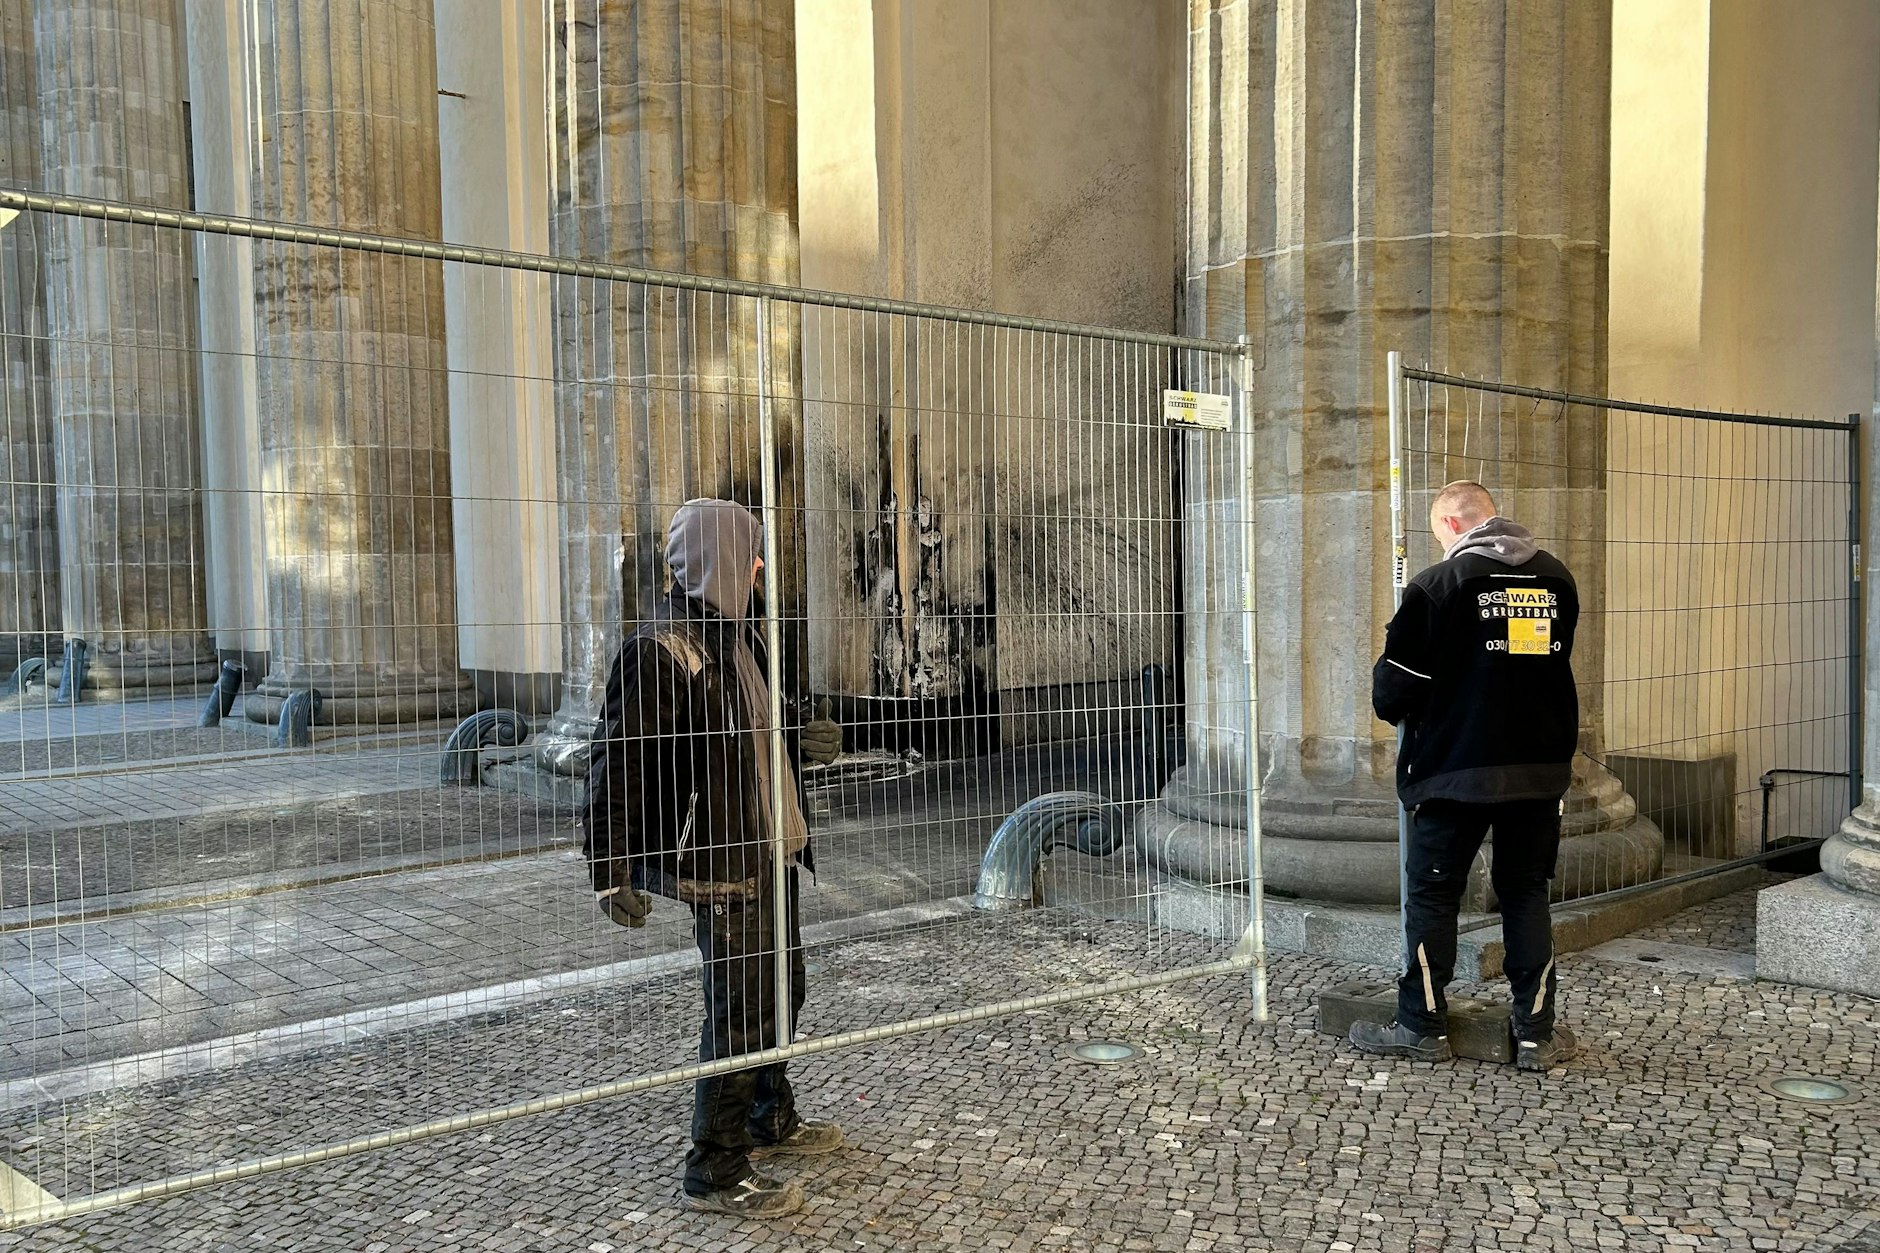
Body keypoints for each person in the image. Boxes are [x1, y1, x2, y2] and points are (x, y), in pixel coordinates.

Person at [583, 498, 846, 1216]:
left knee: (785, 989)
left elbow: (751, 733)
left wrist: (803, 741)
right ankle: (715, 1166)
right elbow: (617, 763)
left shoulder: (739, 636)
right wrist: (607, 868)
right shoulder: (660, 650)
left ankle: (769, 1113)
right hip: (722, 860)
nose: (760, 565)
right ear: (719, 558)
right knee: (742, 1010)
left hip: (773, 848)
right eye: (750, 552)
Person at [1351, 480, 1581, 1072]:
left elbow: (1395, 688)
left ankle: (1422, 1026)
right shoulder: (1557, 579)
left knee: (1434, 893)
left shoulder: (1439, 584)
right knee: (1526, 893)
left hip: (1454, 769)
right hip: (1537, 768)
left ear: (1452, 526)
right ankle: (1535, 1035)